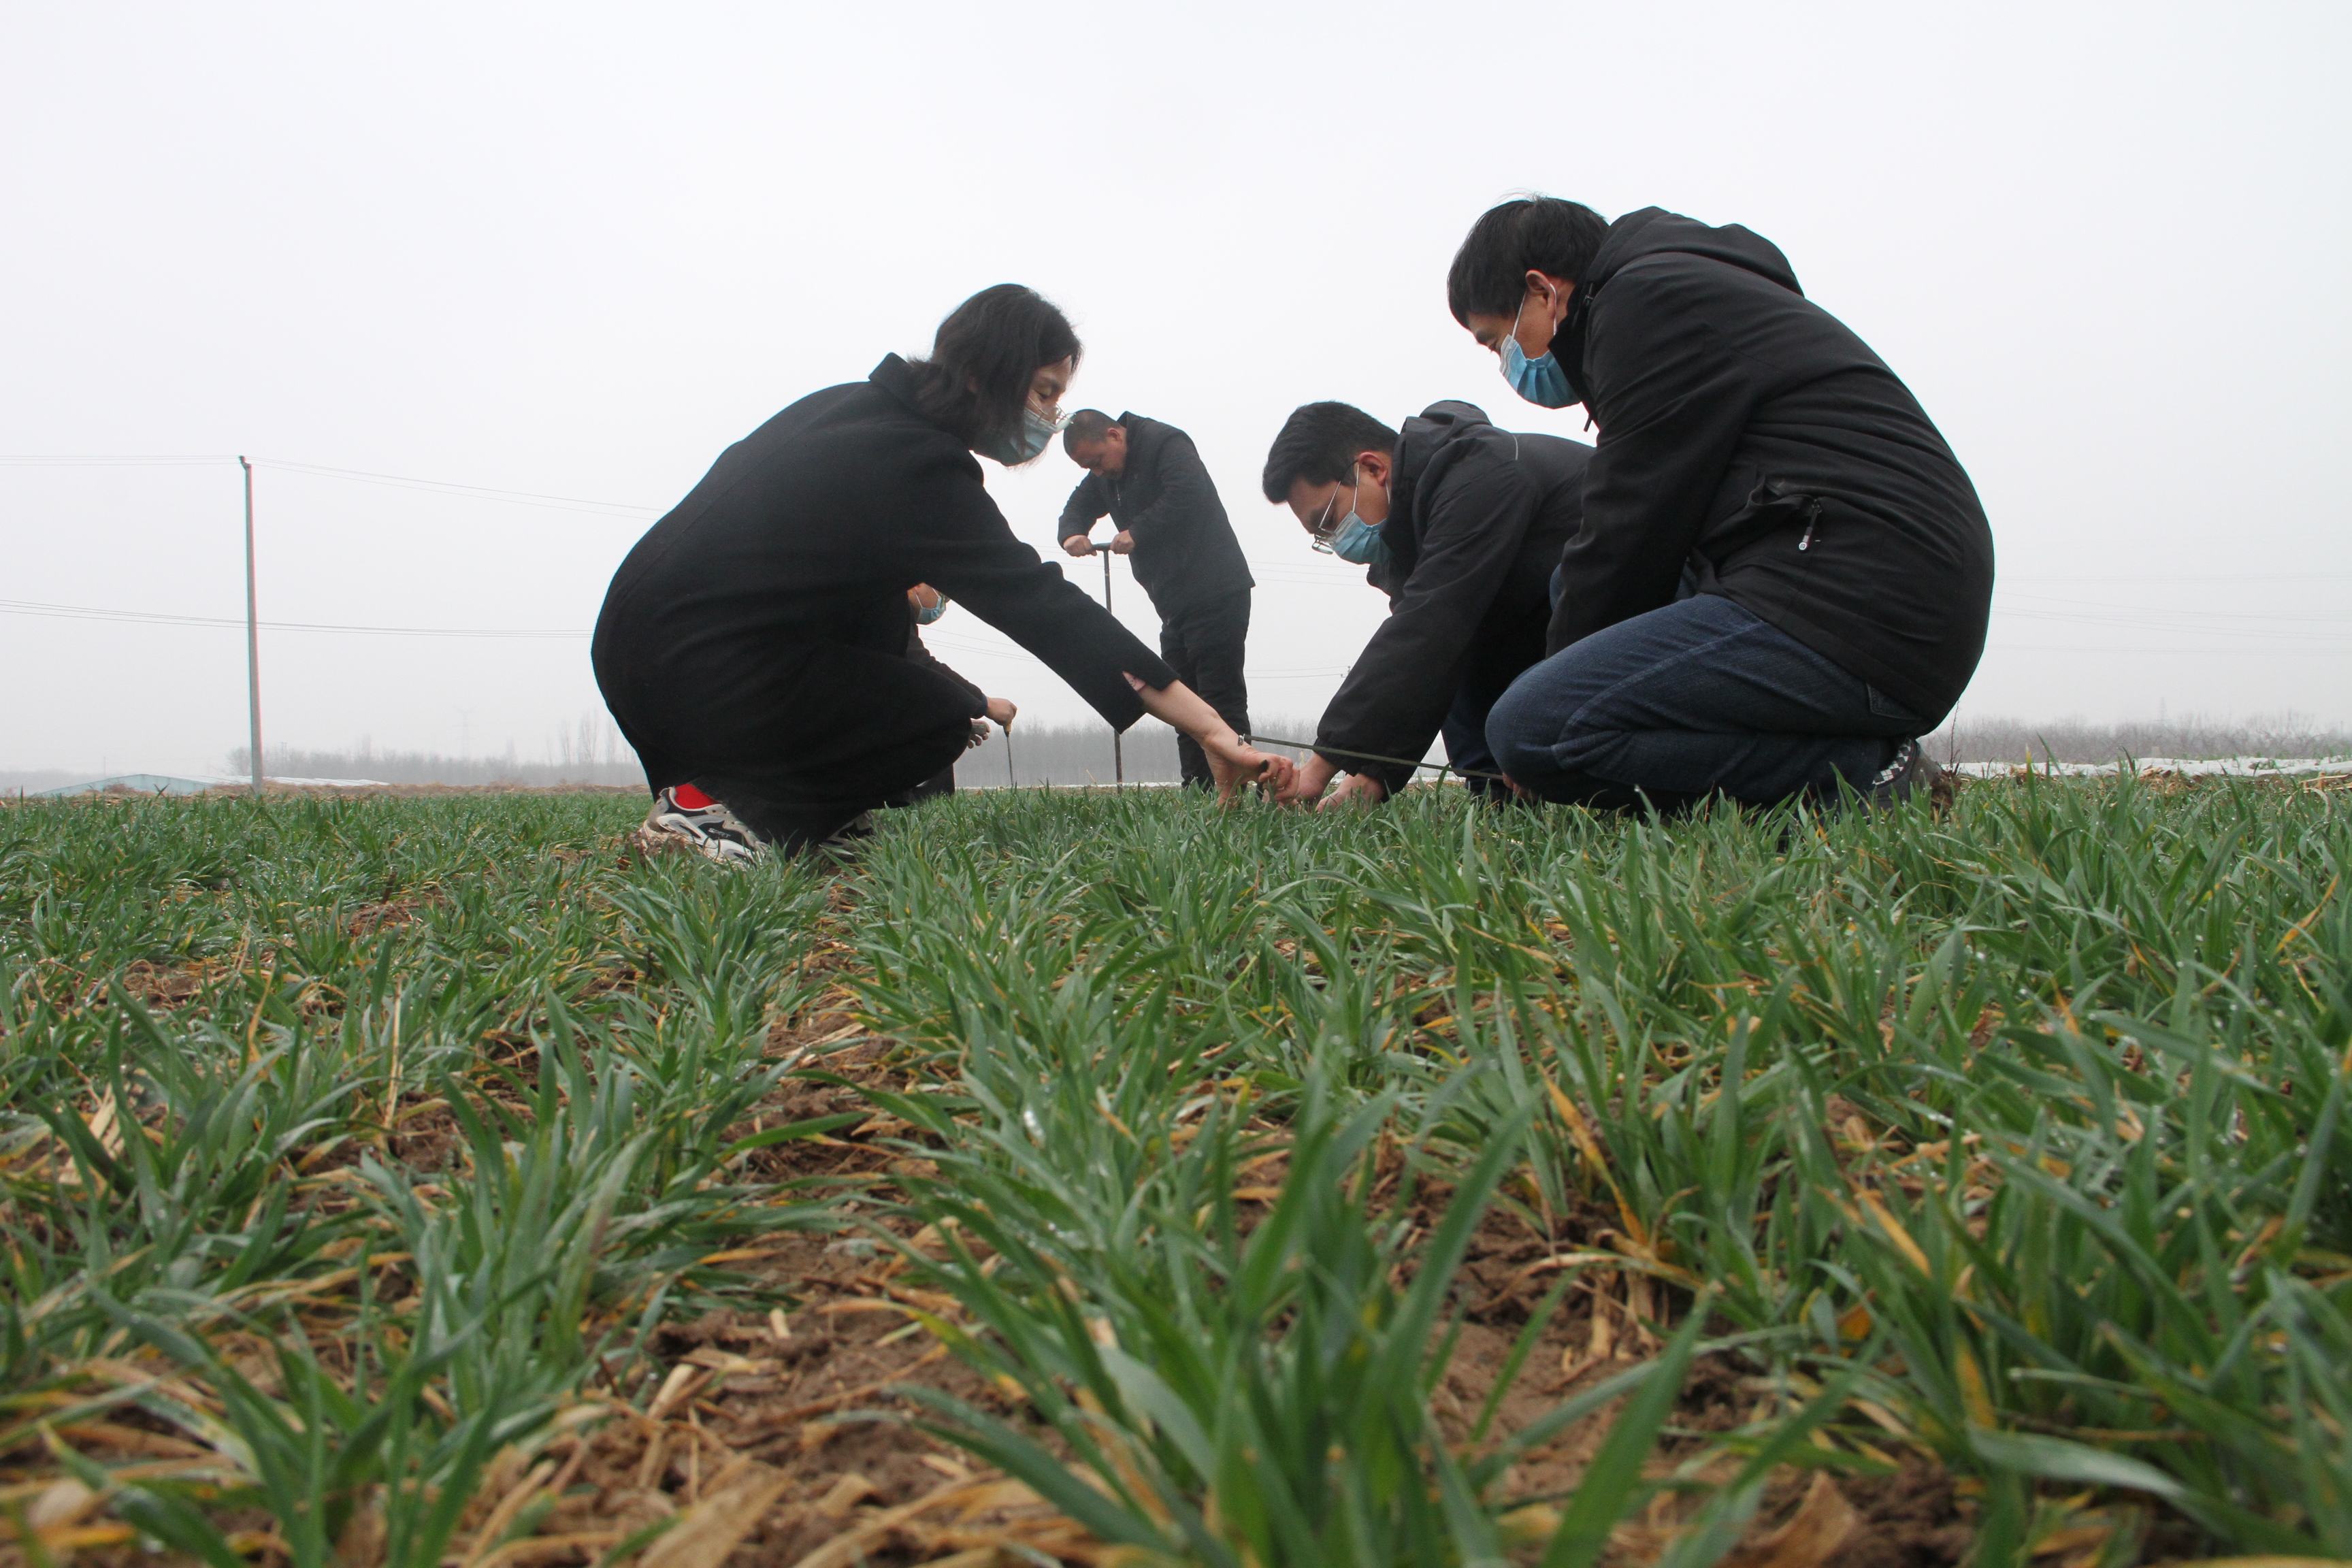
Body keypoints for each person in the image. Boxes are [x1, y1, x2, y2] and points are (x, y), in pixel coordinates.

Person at [591, 285, 1289, 861]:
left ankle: (803, 822)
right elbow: (1043, 606)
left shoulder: (848, 409)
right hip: (701, 672)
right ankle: (714, 812)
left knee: (883, 628)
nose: (1049, 418)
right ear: (987, 373)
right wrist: (1211, 727)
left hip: (646, 653)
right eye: (1043, 392)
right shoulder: (918, 464)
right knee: (935, 717)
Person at [1454, 197, 1993, 812]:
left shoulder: (1643, 303)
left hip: (1862, 600)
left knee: (1530, 727)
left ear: (1541, 291)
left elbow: (1626, 527)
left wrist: (1551, 705)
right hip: (1881, 592)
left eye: (1497, 342)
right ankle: (1847, 754)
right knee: (1563, 600)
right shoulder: (1685, 291)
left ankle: (1863, 777)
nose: (1507, 363)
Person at [1260, 400, 1591, 808]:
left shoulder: (1481, 473)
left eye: (1329, 521)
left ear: (1373, 468)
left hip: (1637, 624)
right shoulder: (1406, 545)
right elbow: (1427, 665)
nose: (1336, 542)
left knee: (1444, 628)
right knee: (1451, 644)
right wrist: (1374, 775)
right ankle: (1496, 793)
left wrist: (1320, 765)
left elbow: (1431, 627)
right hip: (1548, 635)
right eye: (1323, 537)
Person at [1058, 411, 1255, 789]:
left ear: (1115, 436)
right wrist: (1071, 533)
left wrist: (1139, 531)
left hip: (1215, 589)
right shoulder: (1106, 473)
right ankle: (1198, 789)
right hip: (1172, 603)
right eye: (1088, 468)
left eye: (1096, 462)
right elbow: (1078, 506)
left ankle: (1236, 790)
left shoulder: (1165, 443)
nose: (1097, 472)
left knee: (1219, 696)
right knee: (1183, 702)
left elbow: (1188, 492)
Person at [884, 585, 1011, 809]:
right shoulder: (889, 612)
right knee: (944, 724)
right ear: (917, 584)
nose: (942, 605)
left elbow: (908, 685)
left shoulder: (896, 613)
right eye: (942, 596)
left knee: (946, 722)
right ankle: (910, 804)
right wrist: (984, 704)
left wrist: (952, 716)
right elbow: (921, 667)